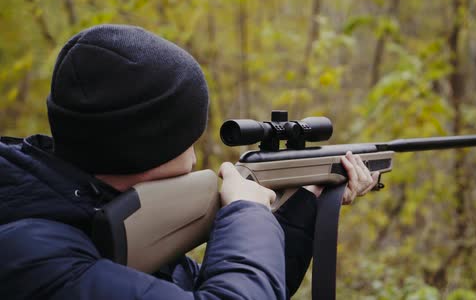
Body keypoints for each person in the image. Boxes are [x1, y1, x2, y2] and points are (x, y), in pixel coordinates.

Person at [0, 24, 378, 300]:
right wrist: (247, 213)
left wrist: (306, 205)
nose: (196, 157)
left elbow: (230, 286)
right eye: (189, 141)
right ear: (144, 152)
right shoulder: (32, 256)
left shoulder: (82, 213)